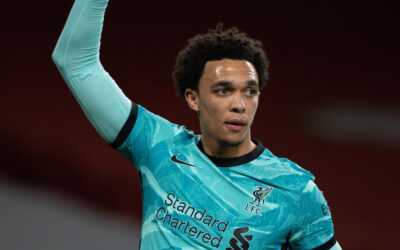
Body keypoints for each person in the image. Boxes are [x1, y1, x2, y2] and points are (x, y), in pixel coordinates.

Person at [52, 0, 341, 249]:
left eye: (249, 91)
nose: (239, 104)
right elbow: (74, 61)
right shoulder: (158, 146)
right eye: (223, 90)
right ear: (193, 98)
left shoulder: (295, 189)